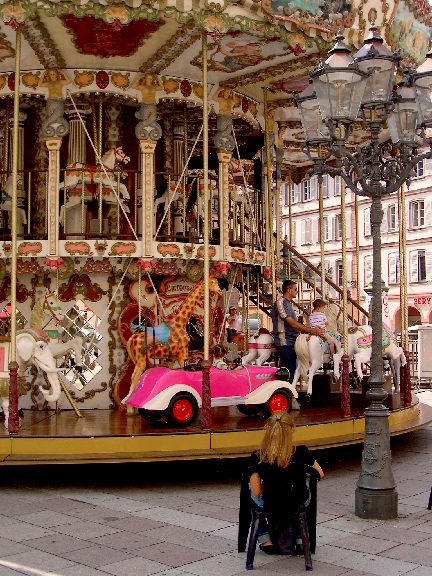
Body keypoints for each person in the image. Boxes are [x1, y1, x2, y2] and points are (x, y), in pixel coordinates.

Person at [249, 411, 324, 553]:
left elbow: (257, 491)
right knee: (302, 495)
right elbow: (319, 474)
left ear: (267, 430)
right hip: (297, 502)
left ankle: (265, 539)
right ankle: (299, 537)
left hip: (271, 504)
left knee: (249, 489)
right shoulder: (302, 452)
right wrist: (298, 472)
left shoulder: (258, 456)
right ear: (291, 430)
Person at [271, 280, 325, 381]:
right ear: (288, 290)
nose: (297, 291)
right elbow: (292, 323)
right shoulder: (281, 303)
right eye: (295, 289)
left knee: (294, 369)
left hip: (292, 340)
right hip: (285, 340)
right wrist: (312, 330)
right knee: (289, 370)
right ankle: (288, 393)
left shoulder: (288, 304)